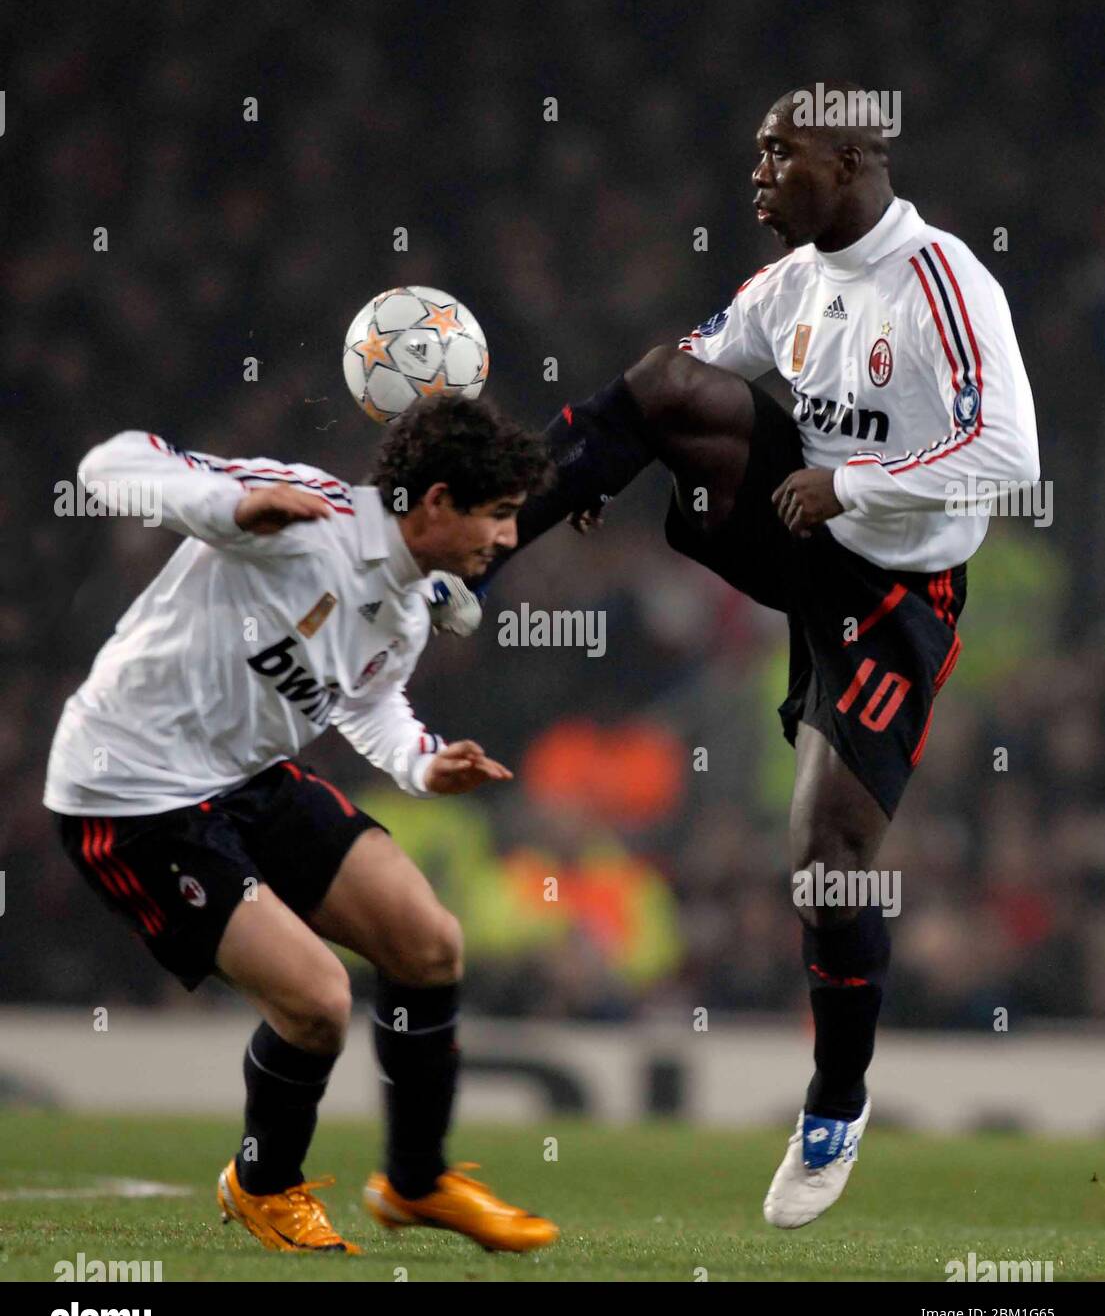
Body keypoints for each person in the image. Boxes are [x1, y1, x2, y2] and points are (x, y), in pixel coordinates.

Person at [482, 84, 1039, 1227]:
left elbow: (1011, 454)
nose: (755, 176)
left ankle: (836, 1101)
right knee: (658, 387)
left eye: (777, 154)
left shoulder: (941, 281)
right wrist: (603, 464)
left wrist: (857, 481)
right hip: (796, 526)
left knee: (826, 861)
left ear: (848, 159)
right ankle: (472, 555)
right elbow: (681, 378)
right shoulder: (784, 286)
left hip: (890, 589)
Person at [44, 393, 558, 1254]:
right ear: (435, 501)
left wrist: (422, 762)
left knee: (427, 941)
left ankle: (416, 1182)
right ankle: (263, 1184)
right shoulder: (301, 510)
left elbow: (369, 701)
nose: (506, 540)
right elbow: (109, 464)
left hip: (245, 777)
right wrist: (228, 507)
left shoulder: (405, 603)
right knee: (318, 1002)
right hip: (131, 794)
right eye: (498, 515)